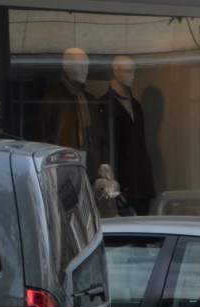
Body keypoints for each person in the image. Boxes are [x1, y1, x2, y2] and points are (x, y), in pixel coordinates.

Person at [100, 55, 156, 216]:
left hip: (140, 183)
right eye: (128, 71)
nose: (132, 76)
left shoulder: (136, 106)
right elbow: (105, 145)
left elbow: (141, 143)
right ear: (115, 72)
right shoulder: (104, 105)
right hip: (120, 181)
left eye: (134, 72)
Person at [38, 47, 96, 156]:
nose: (85, 70)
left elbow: (99, 137)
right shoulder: (52, 100)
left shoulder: (90, 100)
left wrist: (103, 162)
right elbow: (43, 139)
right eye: (80, 65)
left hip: (89, 162)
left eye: (87, 65)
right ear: (66, 66)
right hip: (62, 162)